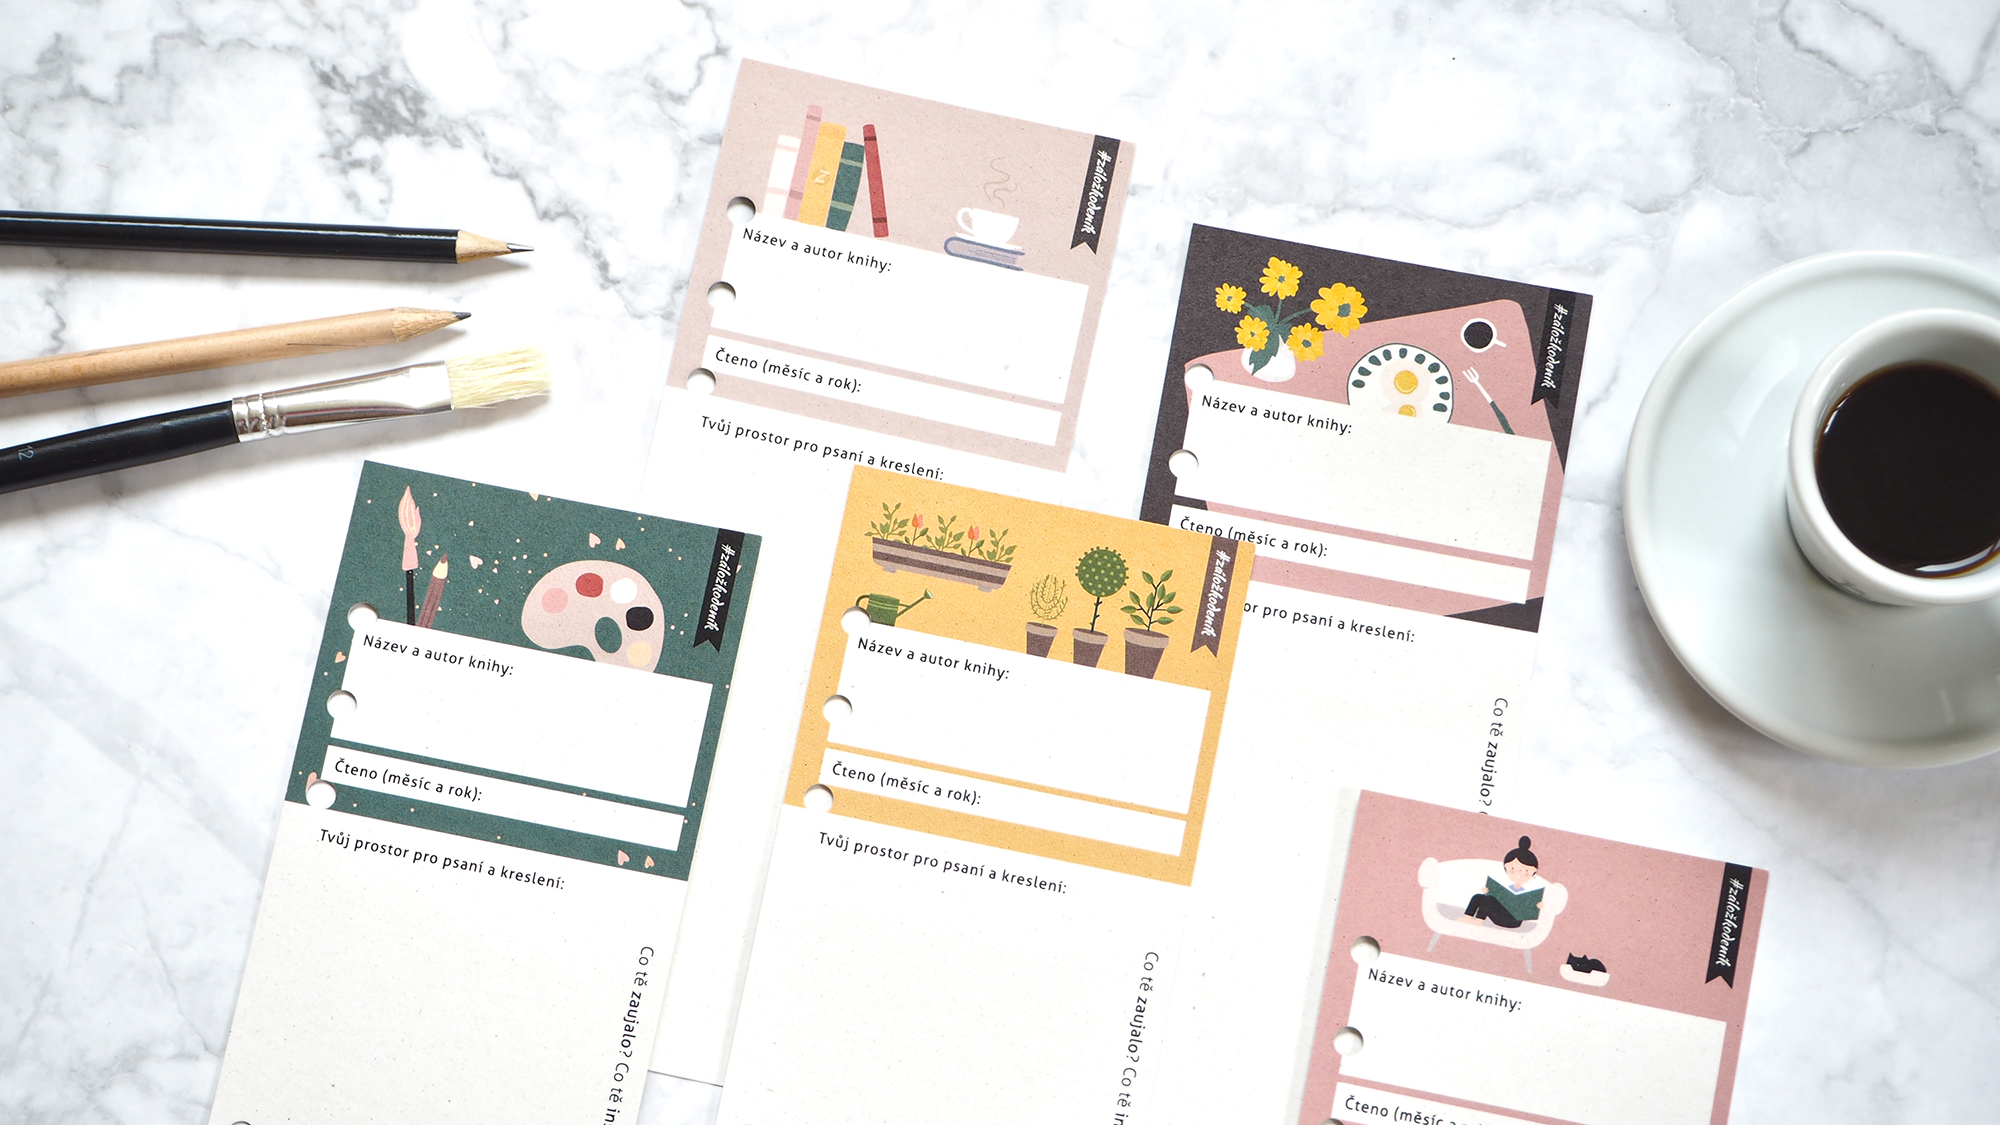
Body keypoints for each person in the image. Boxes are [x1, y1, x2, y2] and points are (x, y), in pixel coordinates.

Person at [1462, 836, 1543, 928]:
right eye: (1512, 869)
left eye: (1526, 871)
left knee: (1489, 900)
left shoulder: (1529, 893)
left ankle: (1479, 920)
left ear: (1533, 871)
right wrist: (1488, 891)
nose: (1519, 874)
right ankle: (1467, 917)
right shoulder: (1507, 888)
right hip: (1500, 914)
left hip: (1513, 921)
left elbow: (1529, 910)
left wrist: (1538, 906)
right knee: (1478, 897)